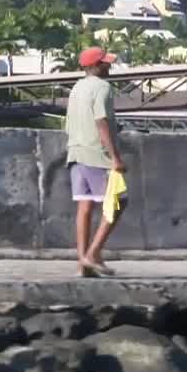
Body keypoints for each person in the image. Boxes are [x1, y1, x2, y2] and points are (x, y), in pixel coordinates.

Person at [65, 46, 128, 277]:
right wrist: (115, 158)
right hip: (96, 154)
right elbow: (101, 121)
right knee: (119, 202)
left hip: (75, 152)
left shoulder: (77, 88)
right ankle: (93, 253)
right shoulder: (102, 87)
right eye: (105, 63)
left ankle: (83, 263)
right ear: (95, 66)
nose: (109, 66)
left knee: (85, 205)